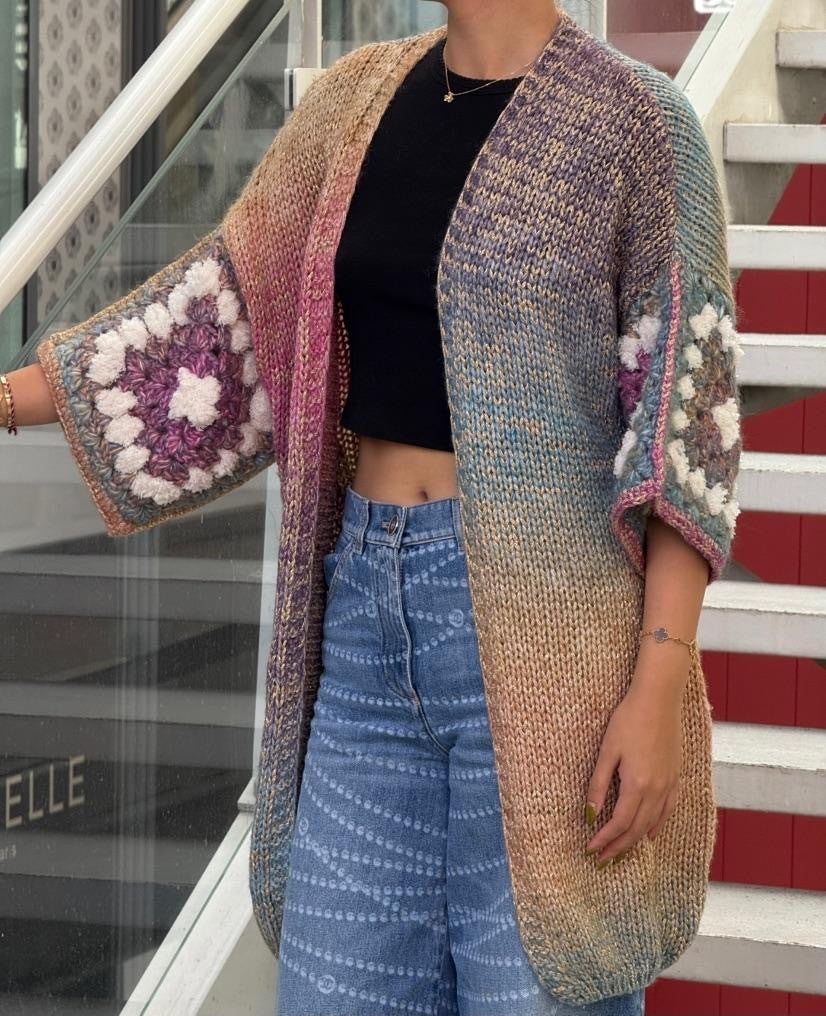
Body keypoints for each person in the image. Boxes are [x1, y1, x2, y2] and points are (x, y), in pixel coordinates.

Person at [0, 1, 742, 1013]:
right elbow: (221, 319)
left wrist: (659, 680)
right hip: (361, 632)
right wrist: (11, 399)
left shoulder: (639, 127)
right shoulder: (353, 101)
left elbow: (684, 431)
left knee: (537, 989)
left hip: (549, 655)